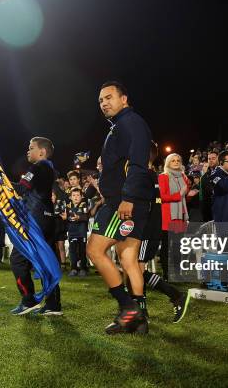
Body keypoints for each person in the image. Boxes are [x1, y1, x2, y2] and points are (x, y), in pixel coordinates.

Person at [87, 81, 152, 334]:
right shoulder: (120, 125)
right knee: (128, 258)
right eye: (101, 100)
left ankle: (128, 308)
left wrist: (127, 197)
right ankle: (140, 320)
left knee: (94, 250)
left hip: (123, 203)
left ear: (124, 99)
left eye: (109, 97)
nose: (104, 103)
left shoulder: (130, 122)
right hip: (128, 200)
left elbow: (138, 164)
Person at [9, 137, 62, 316]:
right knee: (46, 260)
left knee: (17, 259)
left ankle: (28, 301)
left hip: (35, 220)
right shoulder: (50, 168)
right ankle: (53, 304)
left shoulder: (37, 167)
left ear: (42, 152)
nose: (28, 151)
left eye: (31, 148)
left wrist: (1, 182)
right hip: (47, 219)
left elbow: (21, 189)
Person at [138, 142, 190, 323]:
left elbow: (154, 205)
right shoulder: (147, 176)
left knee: (136, 270)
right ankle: (140, 310)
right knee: (133, 270)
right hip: (145, 229)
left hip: (147, 231)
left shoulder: (151, 177)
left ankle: (174, 295)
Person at [158, 153, 197, 280]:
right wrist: (179, 194)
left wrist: (189, 195)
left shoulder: (184, 177)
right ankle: (166, 274)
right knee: (166, 246)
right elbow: (163, 197)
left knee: (178, 246)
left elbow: (184, 199)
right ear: (168, 163)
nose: (176, 162)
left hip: (180, 216)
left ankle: (177, 273)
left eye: (178, 160)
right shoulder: (163, 177)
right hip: (168, 216)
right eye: (173, 161)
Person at [64, 187, 89, 276]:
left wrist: (79, 217)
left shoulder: (84, 205)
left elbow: (86, 217)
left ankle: (83, 268)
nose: (76, 197)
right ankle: (73, 268)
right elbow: (66, 218)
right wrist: (65, 218)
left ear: (81, 197)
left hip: (81, 232)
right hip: (72, 232)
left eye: (78, 195)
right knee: (72, 251)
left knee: (82, 250)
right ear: (70, 197)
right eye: (73, 195)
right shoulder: (67, 206)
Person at [199, 151, 218, 221]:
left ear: (218, 159)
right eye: (209, 159)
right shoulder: (204, 177)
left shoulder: (226, 173)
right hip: (210, 212)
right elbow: (205, 198)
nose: (211, 160)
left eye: (213, 158)